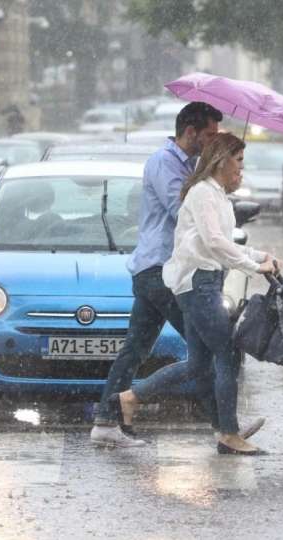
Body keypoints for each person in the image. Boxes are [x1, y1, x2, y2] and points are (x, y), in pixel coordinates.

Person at [114, 133, 278, 456]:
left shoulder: (218, 196)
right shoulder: (202, 194)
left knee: (197, 365)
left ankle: (132, 396)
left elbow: (224, 242)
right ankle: (229, 433)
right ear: (221, 161)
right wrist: (253, 268)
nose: (242, 170)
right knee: (227, 353)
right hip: (198, 284)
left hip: (205, 283)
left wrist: (260, 256)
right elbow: (214, 243)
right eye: (239, 161)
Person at [90, 102, 224, 447]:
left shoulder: (192, 164)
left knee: (135, 349)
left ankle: (107, 420)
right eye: (209, 135)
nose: (212, 142)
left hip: (159, 270)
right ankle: (225, 425)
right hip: (162, 271)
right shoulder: (165, 162)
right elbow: (182, 211)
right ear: (190, 132)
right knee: (208, 345)